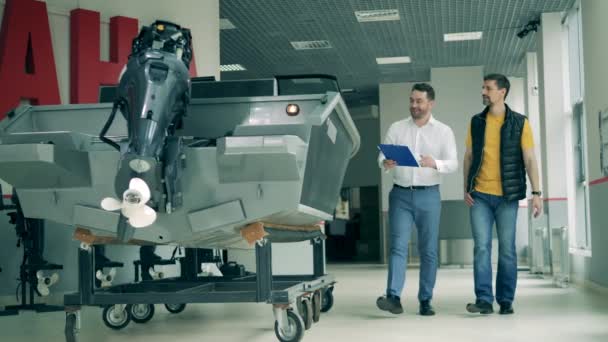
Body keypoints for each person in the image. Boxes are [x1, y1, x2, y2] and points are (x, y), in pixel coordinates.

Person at [463, 73, 542, 315]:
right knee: (482, 248)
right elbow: (469, 157)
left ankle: (506, 300)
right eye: (483, 88)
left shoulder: (520, 122)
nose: (483, 92)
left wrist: (537, 192)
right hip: (480, 196)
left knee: (507, 249)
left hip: (507, 197)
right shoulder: (476, 121)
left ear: (502, 92)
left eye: (488, 88)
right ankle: (484, 300)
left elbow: (529, 159)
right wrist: (466, 187)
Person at [376, 83, 458, 316]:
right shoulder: (397, 127)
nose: (414, 105)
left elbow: (453, 163)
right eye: (412, 100)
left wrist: (436, 163)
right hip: (400, 194)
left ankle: (425, 299)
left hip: (429, 195)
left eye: (419, 101)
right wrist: (385, 162)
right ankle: (393, 297)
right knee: (398, 247)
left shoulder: (443, 131)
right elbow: (382, 154)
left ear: (430, 103)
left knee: (428, 250)